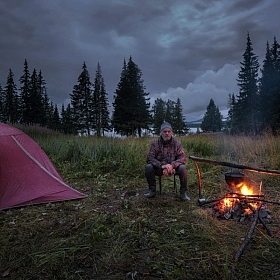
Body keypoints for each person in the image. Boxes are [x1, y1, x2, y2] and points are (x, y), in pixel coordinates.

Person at [144, 121, 190, 201]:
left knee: (183, 168)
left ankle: (183, 193)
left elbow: (182, 158)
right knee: (148, 167)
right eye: (165, 131)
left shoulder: (177, 143)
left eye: (169, 131)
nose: (167, 133)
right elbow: (149, 158)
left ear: (171, 132)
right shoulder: (155, 143)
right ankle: (152, 191)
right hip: (159, 168)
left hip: (173, 168)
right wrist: (162, 166)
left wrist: (172, 165)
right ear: (161, 132)